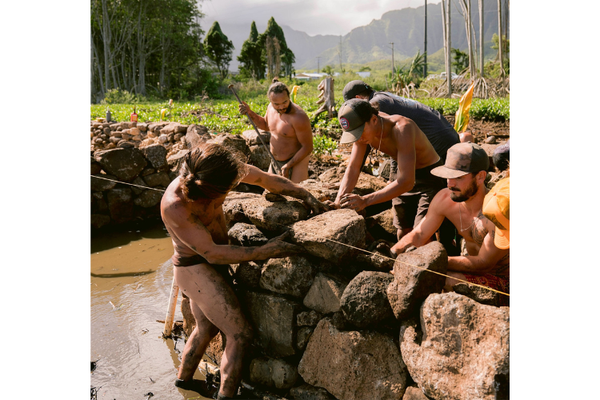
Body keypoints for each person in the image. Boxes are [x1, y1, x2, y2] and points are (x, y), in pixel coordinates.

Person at [160, 143, 328, 399]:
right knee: (240, 334)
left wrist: (303, 194)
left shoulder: (219, 174)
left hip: (207, 263)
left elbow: (263, 179)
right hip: (194, 268)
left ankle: (184, 382)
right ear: (210, 191)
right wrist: (266, 250)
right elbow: (212, 253)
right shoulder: (176, 205)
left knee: (206, 329)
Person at [342, 80, 460, 253]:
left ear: (374, 119)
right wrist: (340, 200)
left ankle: (441, 264)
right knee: (403, 231)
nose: (358, 139)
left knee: (422, 235)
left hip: (430, 173)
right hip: (403, 165)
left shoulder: (401, 127)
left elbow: (406, 182)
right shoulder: (363, 130)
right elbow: (353, 167)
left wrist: (365, 201)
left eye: (359, 133)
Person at [390, 142, 509, 296]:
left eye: (458, 177)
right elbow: (419, 234)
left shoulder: (497, 210)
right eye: (448, 176)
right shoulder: (445, 198)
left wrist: (430, 261)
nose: (450, 183)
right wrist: (394, 253)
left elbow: (484, 264)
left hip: (504, 280)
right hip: (470, 267)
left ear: (480, 177)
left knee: (440, 280)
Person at [342, 80, 460, 162]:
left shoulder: (375, 104)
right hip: (448, 134)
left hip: (438, 141)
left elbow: (366, 144)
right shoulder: (382, 96)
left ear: (358, 99)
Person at [238, 79, 313, 183]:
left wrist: (288, 165)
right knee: (271, 194)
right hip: (275, 162)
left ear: (289, 98)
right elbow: (265, 125)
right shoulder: (270, 108)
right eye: (276, 104)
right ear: (270, 101)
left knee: (296, 195)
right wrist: (250, 113)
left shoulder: (299, 117)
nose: (281, 107)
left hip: (295, 163)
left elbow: (308, 147)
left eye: (285, 102)